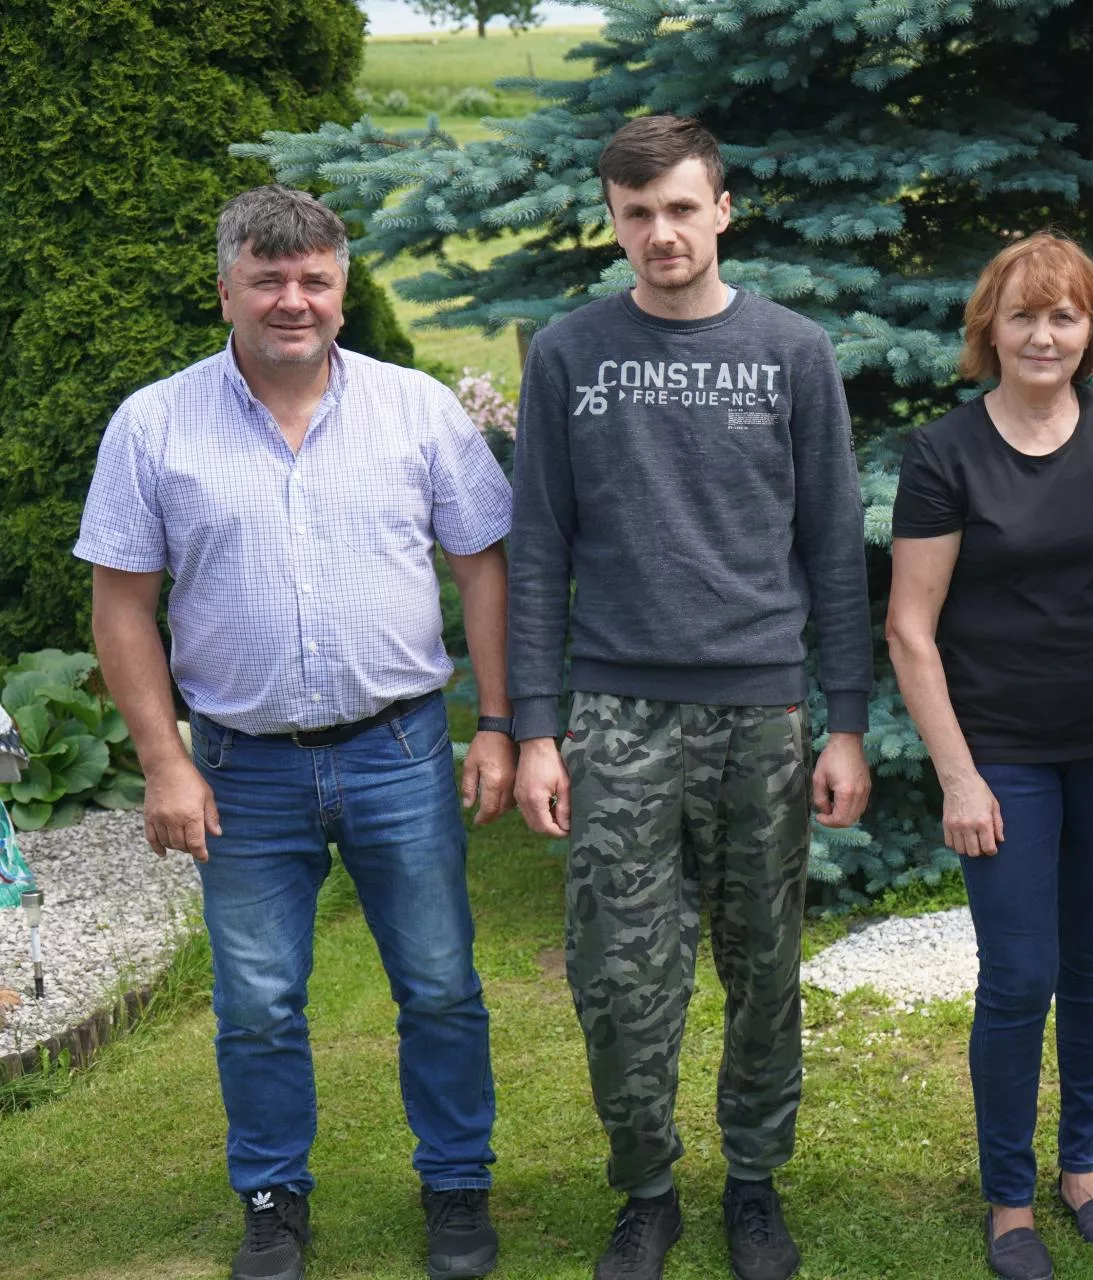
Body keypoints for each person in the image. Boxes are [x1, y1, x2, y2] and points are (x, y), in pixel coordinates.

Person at [78, 185, 515, 1280]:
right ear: (225, 287)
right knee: (259, 1001)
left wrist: (498, 723)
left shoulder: (417, 409)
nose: (293, 301)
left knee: (441, 983)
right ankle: (273, 1194)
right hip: (240, 765)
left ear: (343, 288)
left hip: (401, 750)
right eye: (268, 280)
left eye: (315, 279)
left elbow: (482, 567)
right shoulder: (155, 423)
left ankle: (457, 1182)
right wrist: (164, 761)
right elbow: (122, 604)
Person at [508, 114, 873, 1280]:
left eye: (680, 207)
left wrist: (848, 721)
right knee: (621, 975)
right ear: (614, 222)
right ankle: (648, 1189)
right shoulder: (568, 353)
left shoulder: (792, 350)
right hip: (615, 716)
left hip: (760, 714)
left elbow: (833, 550)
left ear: (722, 209)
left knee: (763, 969)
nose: (661, 232)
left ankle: (755, 1185)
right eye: (637, 213)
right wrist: (532, 729)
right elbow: (536, 553)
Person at [887, 233, 1093, 1279]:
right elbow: (912, 629)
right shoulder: (945, 452)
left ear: (1092, 331)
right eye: (1022, 315)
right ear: (988, 330)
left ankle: (1083, 1169)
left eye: (1065, 315)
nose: (1043, 334)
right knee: (1017, 972)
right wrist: (959, 774)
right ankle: (1010, 1194)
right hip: (1001, 747)